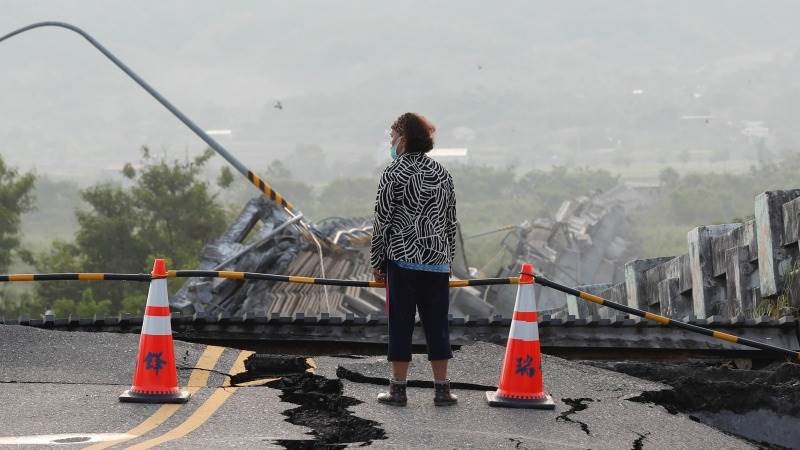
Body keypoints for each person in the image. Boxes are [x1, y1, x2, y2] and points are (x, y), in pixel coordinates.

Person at [370, 112, 458, 407]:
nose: (391, 142)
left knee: (401, 325)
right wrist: (449, 263)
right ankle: (442, 390)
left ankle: (398, 390)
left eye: (393, 137)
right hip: (437, 264)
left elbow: (383, 221)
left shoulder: (393, 173)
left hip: (403, 262)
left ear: (404, 140)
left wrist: (377, 262)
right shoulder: (442, 173)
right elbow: (450, 223)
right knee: (438, 327)